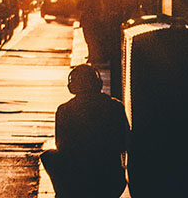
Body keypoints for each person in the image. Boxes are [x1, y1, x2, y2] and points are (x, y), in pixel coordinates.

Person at [41, 64, 129, 198]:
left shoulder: (64, 110)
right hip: (110, 181)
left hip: (76, 181)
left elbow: (61, 146)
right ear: (98, 84)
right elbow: (124, 142)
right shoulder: (115, 107)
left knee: (48, 156)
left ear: (72, 87)